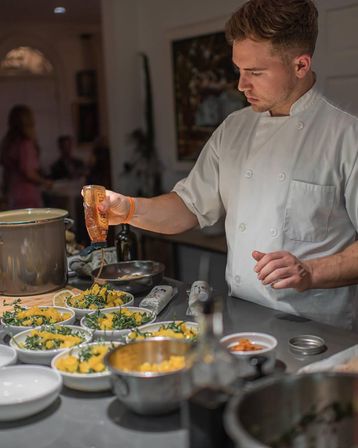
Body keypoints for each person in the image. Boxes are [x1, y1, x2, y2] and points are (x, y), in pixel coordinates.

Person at [96, 0, 358, 330]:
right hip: (241, 319)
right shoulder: (234, 128)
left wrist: (311, 272)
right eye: (239, 70)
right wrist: (129, 208)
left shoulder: (347, 135)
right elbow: (188, 207)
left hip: (317, 329)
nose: (240, 85)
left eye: (255, 73)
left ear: (301, 66)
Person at [0, 104, 52, 209]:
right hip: (27, 194)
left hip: (13, 193)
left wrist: (5, 193)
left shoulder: (9, 143)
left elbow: (6, 173)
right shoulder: (25, 144)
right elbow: (29, 173)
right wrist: (45, 182)